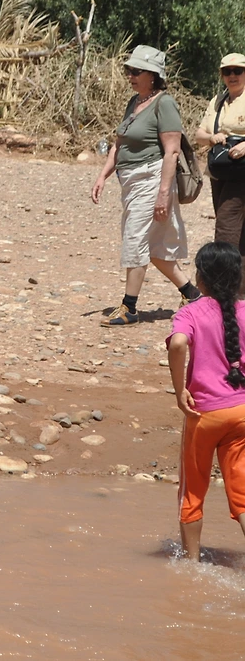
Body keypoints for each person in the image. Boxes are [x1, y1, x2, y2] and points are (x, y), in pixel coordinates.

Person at [91, 45, 199, 325]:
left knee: (136, 239)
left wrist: (163, 194)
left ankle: (130, 308)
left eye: (136, 71)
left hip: (152, 180)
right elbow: (120, 142)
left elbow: (172, 151)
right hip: (131, 182)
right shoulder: (134, 102)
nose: (130, 75)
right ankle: (192, 293)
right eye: (129, 70)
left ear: (153, 75)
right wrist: (103, 175)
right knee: (155, 247)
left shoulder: (165, 103)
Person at [166, 241, 245, 562]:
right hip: (241, 411)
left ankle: (192, 566)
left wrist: (179, 388)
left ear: (201, 278)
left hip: (204, 413)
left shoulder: (191, 312)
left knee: (192, 492)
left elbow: (179, 343)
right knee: (242, 494)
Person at [195, 53, 245, 256]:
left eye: (238, 71)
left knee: (226, 227)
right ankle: (238, 286)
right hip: (220, 171)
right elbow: (199, 134)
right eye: (227, 71)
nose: (232, 75)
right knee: (238, 232)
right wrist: (212, 138)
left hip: (242, 173)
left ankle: (223, 281)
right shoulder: (217, 101)